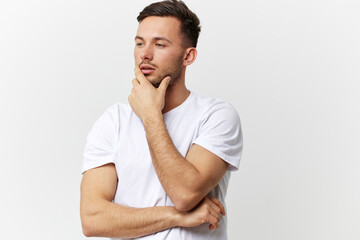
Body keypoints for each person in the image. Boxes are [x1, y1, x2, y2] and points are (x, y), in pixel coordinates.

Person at [80, 0, 243, 239]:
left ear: (188, 56)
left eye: (160, 44)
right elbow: (93, 219)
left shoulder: (216, 116)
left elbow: (185, 193)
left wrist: (150, 115)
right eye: (139, 43)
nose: (145, 54)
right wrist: (175, 216)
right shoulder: (113, 121)